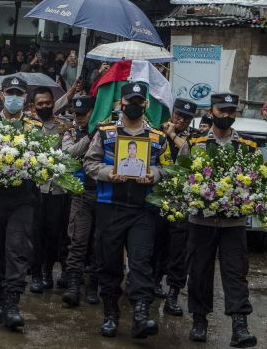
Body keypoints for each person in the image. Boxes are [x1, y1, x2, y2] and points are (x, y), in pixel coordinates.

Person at [84, 82, 171, 339]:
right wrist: (108, 173)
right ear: (120, 104)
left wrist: (154, 174)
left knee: (141, 260)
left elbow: (169, 169)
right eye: (129, 101)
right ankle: (111, 314)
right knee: (108, 262)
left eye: (138, 101)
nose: (133, 106)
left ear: (145, 104)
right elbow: (90, 163)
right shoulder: (104, 132)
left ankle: (141, 315)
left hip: (143, 209)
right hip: (110, 206)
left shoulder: (158, 138)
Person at [185, 93, 258, 348]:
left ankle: (240, 326)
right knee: (199, 271)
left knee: (236, 272)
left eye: (231, 111)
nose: (226, 115)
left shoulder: (248, 146)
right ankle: (199, 321)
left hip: (233, 224)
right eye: (222, 110)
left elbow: (256, 180)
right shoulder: (195, 143)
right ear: (211, 111)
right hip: (201, 222)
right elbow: (181, 176)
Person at [0, 76, 42, 330]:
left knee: (17, 247)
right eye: (10, 93)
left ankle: (13, 303)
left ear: (25, 98)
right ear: (2, 96)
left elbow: (43, 157)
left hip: (22, 197)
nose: (14, 97)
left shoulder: (34, 126)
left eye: (19, 93)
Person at [154, 98, 198, 316]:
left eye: (186, 118)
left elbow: (191, 155)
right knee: (155, 244)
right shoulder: (158, 132)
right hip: (158, 198)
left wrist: (173, 135)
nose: (181, 120)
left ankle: (173, 294)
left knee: (178, 250)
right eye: (178, 115)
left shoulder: (194, 139)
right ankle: (153, 283)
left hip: (182, 202)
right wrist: (165, 134)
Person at [28, 86, 71, 294]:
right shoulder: (28, 127)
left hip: (57, 189)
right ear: (33, 106)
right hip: (36, 189)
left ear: (53, 103)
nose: (44, 106)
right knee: (36, 233)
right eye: (40, 104)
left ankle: (47, 271)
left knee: (55, 233)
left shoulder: (63, 127)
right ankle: (35, 274)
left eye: (48, 103)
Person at [61, 95, 99, 307]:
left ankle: (93, 286)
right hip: (80, 192)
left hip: (102, 193)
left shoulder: (107, 131)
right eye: (76, 114)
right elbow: (68, 153)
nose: (79, 118)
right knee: (77, 240)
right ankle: (74, 286)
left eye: (83, 114)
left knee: (99, 243)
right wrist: (89, 136)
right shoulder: (71, 132)